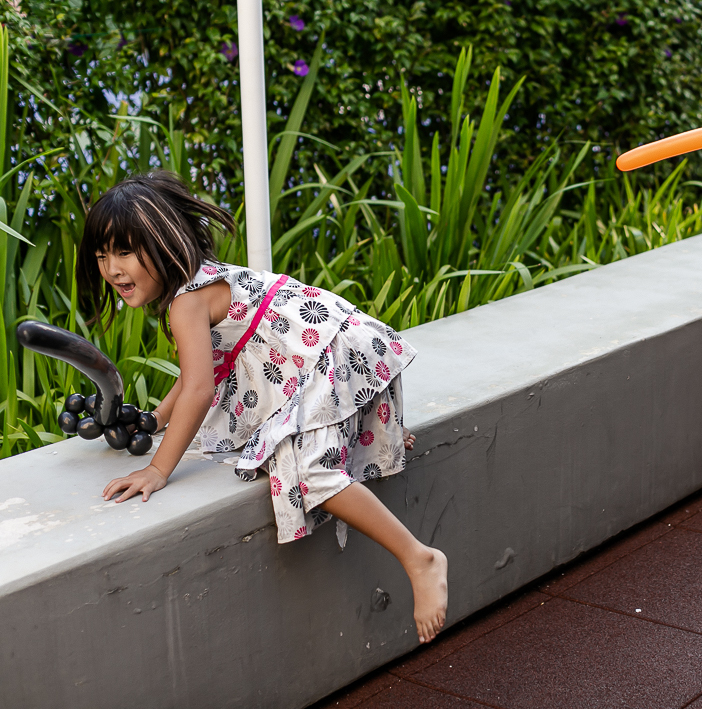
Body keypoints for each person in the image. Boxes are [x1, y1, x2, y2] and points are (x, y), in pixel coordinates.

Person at [83, 172, 448, 643]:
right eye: (101, 256)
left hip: (328, 364)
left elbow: (199, 389)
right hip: (352, 357)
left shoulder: (185, 302)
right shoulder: (201, 280)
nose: (111, 268)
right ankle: (371, 435)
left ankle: (419, 556)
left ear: (164, 240)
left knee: (308, 472)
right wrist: (155, 419)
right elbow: (206, 370)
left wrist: (158, 470)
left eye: (124, 252)